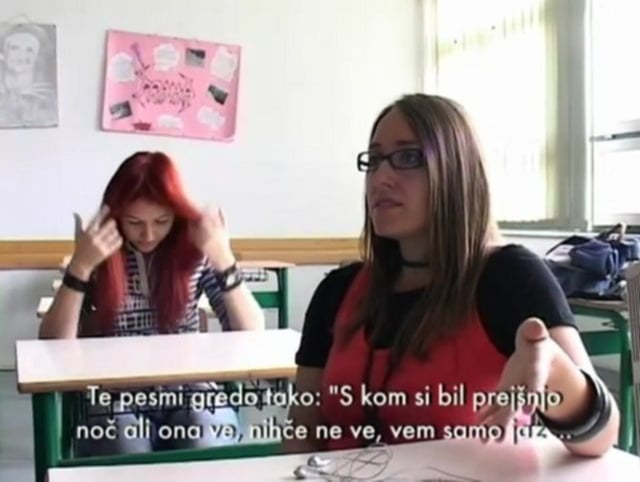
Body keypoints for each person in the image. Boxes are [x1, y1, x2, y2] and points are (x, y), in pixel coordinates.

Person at [283, 94, 619, 457]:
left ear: (457, 171)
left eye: (408, 157)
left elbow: (602, 439)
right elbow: (303, 432)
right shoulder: (338, 290)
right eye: (374, 160)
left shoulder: (509, 277)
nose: (381, 178)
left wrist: (555, 370)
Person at [38, 151, 265, 455]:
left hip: (191, 390)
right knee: (124, 444)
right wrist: (80, 266)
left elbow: (252, 332)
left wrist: (223, 257)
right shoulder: (99, 252)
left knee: (205, 437)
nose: (148, 234)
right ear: (116, 217)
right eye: (134, 222)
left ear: (176, 215)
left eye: (161, 221)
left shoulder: (193, 250)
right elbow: (53, 344)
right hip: (115, 396)